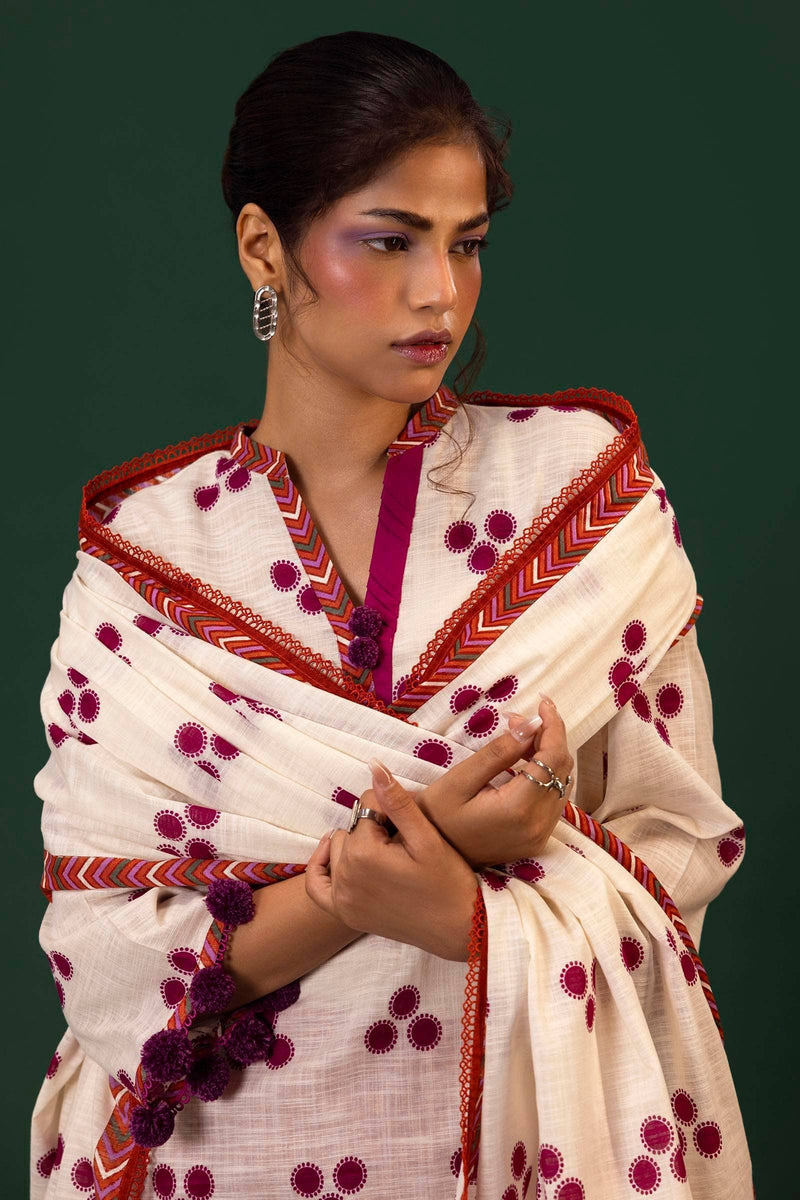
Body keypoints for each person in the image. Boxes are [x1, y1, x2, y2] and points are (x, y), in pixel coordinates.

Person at [31, 29, 753, 1200]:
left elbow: (673, 861)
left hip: (522, 1154)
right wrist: (359, 887)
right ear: (263, 248)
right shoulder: (145, 560)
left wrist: (462, 917)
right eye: (389, 240)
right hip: (215, 1164)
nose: (438, 293)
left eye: (465, 244)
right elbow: (105, 962)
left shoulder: (581, 506)